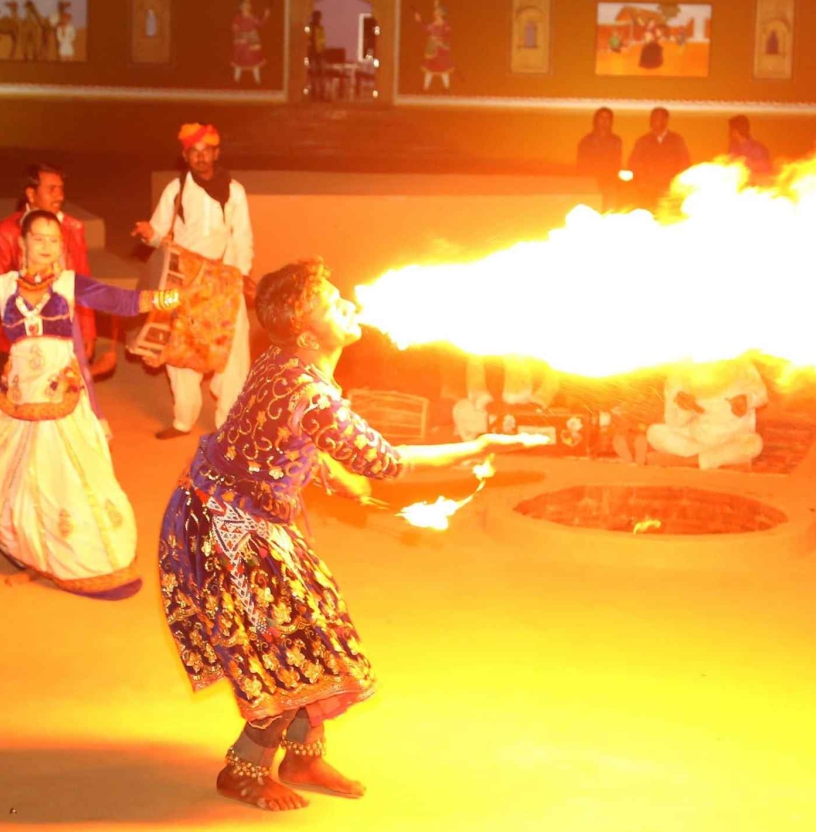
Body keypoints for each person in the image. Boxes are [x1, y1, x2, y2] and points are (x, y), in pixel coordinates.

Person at [156, 259, 550, 811]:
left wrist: (330, 475)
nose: (348, 304)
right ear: (305, 328)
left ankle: (303, 754)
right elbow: (383, 460)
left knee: (320, 629)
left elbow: (276, 435)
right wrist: (478, 447)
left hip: (246, 511)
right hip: (224, 525)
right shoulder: (307, 389)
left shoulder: (288, 363)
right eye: (331, 301)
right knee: (286, 643)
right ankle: (242, 768)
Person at [0, 211, 195, 596]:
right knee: (27, 485)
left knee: (74, 481)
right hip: (21, 404)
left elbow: (119, 300)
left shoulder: (70, 284)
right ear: (22, 244)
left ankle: (93, 563)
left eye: (54, 240)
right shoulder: (2, 289)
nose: (47, 247)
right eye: (39, 239)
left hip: (63, 402)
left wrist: (171, 297)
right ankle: (39, 556)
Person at [134, 123, 255, 439]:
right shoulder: (175, 190)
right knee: (179, 349)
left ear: (216, 153)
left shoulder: (235, 191)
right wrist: (149, 235)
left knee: (234, 349)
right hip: (184, 281)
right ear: (185, 156)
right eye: (194, 152)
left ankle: (229, 422)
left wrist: (240, 274)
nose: (201, 158)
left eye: (206, 152)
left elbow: (243, 238)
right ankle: (184, 419)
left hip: (224, 281)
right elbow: (160, 234)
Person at [0, 164, 98, 376]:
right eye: (52, 189)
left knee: (63, 400)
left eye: (61, 189)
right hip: (20, 338)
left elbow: (82, 283)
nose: (60, 196)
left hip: (64, 337)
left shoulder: (72, 229)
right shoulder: (6, 232)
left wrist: (88, 331)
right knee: (16, 403)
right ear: (31, 194)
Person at [647, 359, 768, 470]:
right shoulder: (679, 373)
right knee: (654, 433)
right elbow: (672, 422)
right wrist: (685, 409)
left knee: (754, 444)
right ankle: (707, 459)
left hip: (732, 439)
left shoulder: (741, 366)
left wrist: (748, 400)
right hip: (695, 440)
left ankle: (691, 461)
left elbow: (762, 395)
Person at [623, 107, 692, 213]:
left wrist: (676, 184)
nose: (654, 121)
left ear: (665, 120)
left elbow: (684, 163)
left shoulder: (676, 140)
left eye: (658, 118)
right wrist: (643, 182)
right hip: (648, 190)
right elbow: (634, 163)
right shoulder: (643, 141)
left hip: (670, 190)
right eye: (653, 118)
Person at [575, 107, 624, 209]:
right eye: (601, 117)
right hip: (590, 183)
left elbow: (617, 163)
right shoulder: (586, 141)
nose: (604, 121)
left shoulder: (616, 141)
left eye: (608, 118)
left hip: (610, 183)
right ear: (595, 120)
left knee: (609, 213)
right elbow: (581, 165)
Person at [232, 0, 269, 84]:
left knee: (255, 61)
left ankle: (257, 81)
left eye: (248, 6)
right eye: (244, 6)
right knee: (239, 62)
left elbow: (260, 24)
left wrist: (266, 15)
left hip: (252, 42)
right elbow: (235, 28)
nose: (246, 8)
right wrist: (239, 37)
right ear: (241, 7)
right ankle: (236, 80)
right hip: (242, 43)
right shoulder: (238, 18)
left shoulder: (252, 17)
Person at [726, 115, 775, 183]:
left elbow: (767, 171)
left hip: (755, 188)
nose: (729, 133)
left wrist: (750, 166)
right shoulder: (733, 148)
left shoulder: (758, 149)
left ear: (736, 131)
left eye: (731, 130)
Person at [305, 11, 328, 101]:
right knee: (313, 74)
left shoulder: (320, 28)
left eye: (319, 17)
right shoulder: (309, 27)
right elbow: (307, 39)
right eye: (317, 17)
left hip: (319, 54)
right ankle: (314, 92)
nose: (318, 19)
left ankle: (322, 93)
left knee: (321, 74)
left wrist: (323, 51)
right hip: (312, 54)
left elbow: (322, 41)